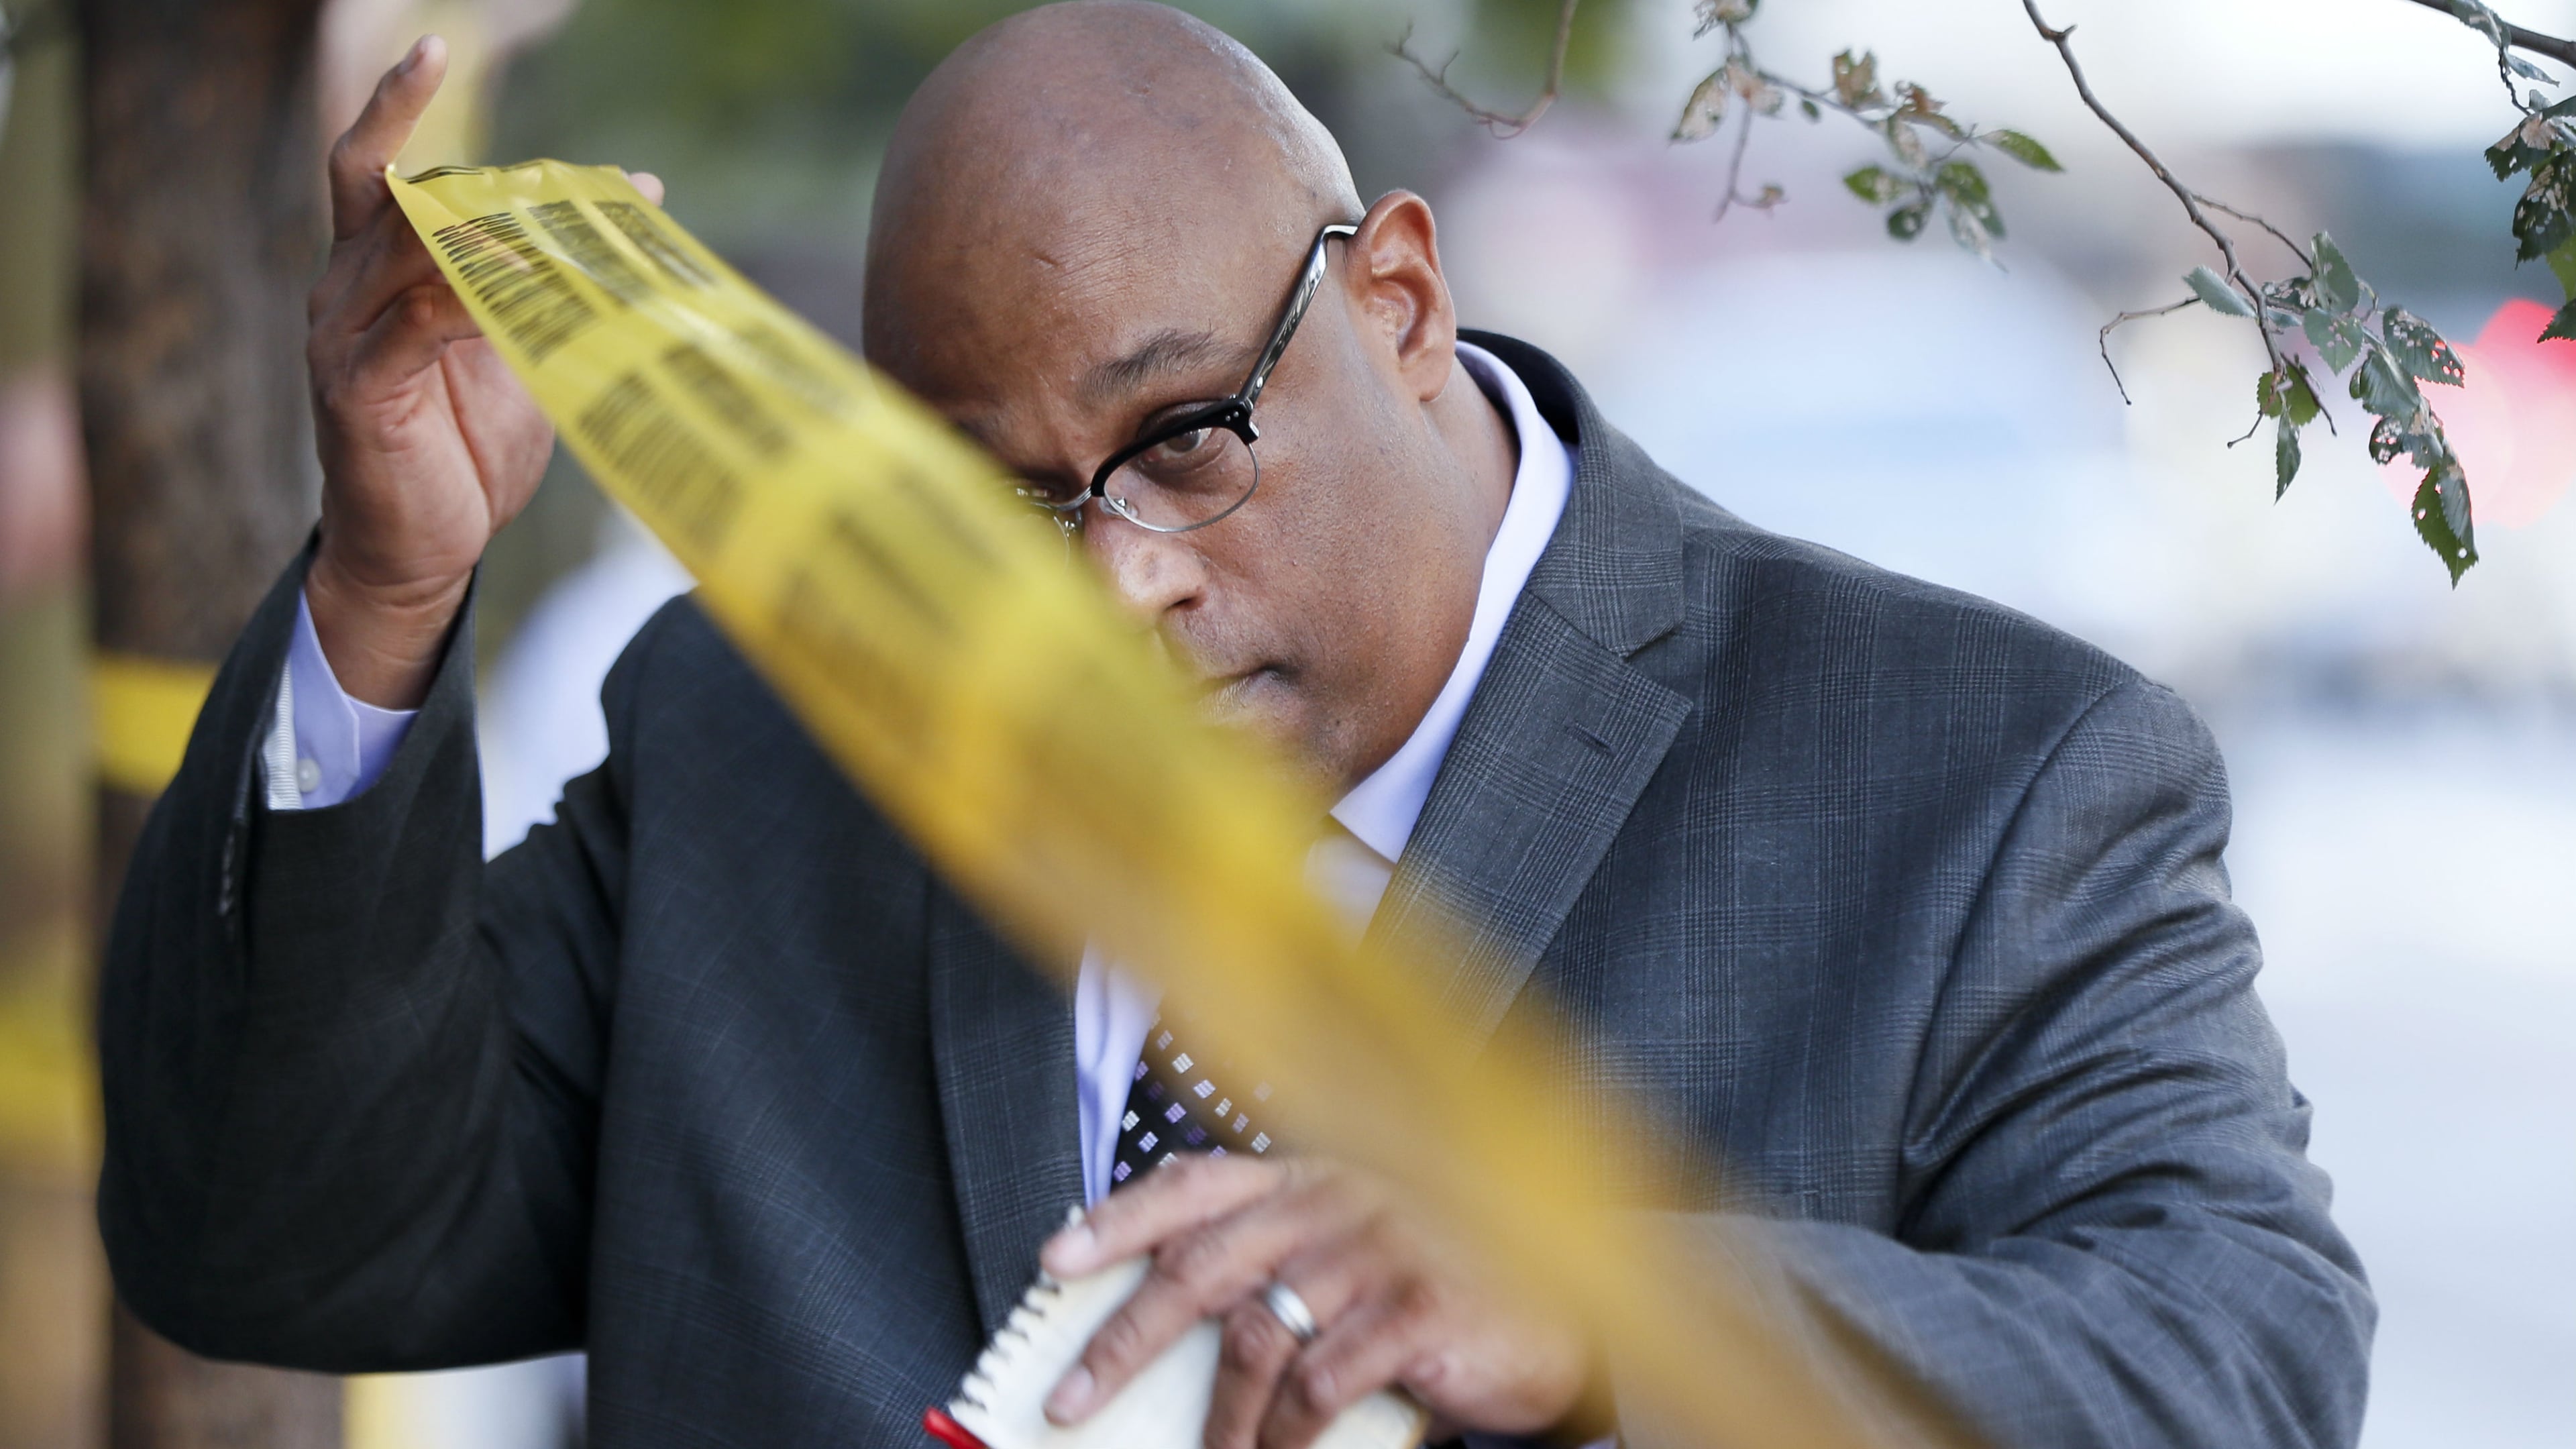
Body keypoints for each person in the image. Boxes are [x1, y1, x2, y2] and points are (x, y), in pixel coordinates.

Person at [96, 5, 2374, 1447]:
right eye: (989, 510)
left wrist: (1596, 1321)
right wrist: (389, 596)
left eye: (1183, 437)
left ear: (1397, 298)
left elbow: (2240, 1367)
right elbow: (281, 1244)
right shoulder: (770, 733)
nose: (1112, 592)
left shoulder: (1990, 783)